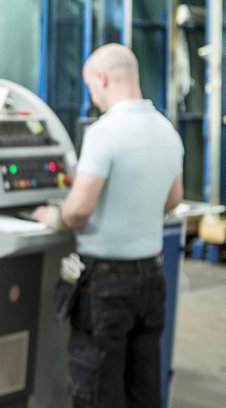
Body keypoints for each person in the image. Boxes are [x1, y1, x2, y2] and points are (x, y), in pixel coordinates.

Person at [32, 43, 183, 408]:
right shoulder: (166, 131)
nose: (93, 96)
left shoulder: (105, 131)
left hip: (105, 284)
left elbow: (79, 209)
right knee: (142, 387)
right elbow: (173, 199)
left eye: (91, 87)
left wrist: (52, 216)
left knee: (97, 389)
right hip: (152, 277)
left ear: (101, 78)